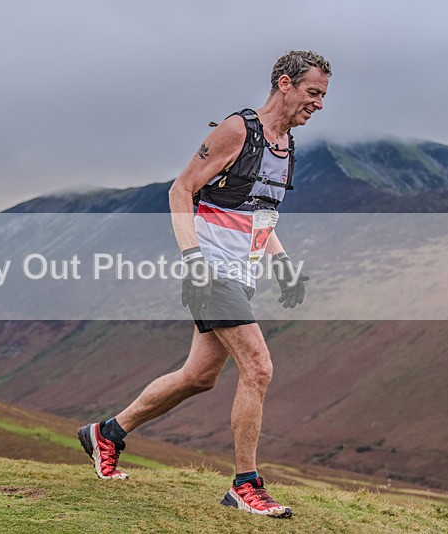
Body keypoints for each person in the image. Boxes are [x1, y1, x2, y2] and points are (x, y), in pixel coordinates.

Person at [78, 51, 331, 518]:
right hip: (211, 271)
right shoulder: (239, 130)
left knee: (199, 377)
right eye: (313, 93)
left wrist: (283, 263)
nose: (318, 104)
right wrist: (192, 259)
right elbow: (180, 189)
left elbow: (260, 217)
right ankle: (245, 484)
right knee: (258, 366)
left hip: (242, 275)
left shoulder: (285, 146)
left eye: (322, 96)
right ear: (284, 84)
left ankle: (107, 433)